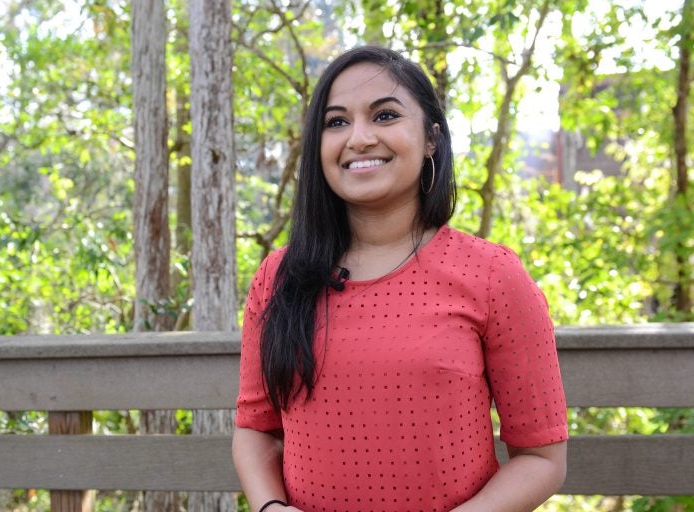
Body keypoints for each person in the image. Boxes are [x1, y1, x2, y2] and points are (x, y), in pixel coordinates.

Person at [232, 45, 568, 512]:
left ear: (431, 138)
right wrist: (270, 509)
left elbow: (542, 456)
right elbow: (255, 428)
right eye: (336, 122)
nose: (360, 138)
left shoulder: (492, 274)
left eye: (385, 115)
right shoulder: (279, 276)